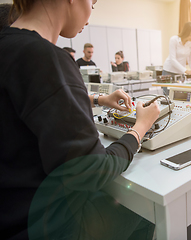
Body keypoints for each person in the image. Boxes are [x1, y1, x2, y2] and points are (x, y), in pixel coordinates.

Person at [0, 0, 160, 239]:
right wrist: (140, 128)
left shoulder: (9, 46)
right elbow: (92, 171)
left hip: (11, 215)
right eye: (92, 2)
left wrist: (99, 99)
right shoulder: (46, 57)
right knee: (148, 213)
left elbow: (35, 98)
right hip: (48, 226)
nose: (90, 12)